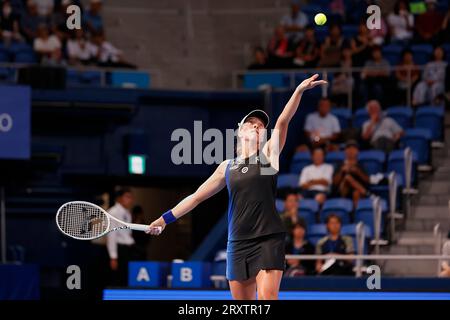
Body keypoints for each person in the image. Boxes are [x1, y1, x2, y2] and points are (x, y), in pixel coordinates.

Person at [147, 74, 327, 300]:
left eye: (261, 126)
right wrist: (164, 219)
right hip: (238, 243)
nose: (257, 127)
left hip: (268, 238)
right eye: (252, 124)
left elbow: (282, 121)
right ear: (240, 131)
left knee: (267, 300)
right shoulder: (226, 167)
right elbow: (195, 198)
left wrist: (298, 91)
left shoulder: (269, 156)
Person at [106, 187, 137, 286]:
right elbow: (111, 236)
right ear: (119, 198)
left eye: (131, 197)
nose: (130, 200)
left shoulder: (127, 212)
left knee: (128, 278)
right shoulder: (113, 212)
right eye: (127, 197)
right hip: (120, 250)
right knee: (119, 279)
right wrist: (113, 257)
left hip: (129, 249)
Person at [333, 140, 370, 207]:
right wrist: (342, 171)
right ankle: (367, 193)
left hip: (358, 191)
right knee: (347, 178)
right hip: (342, 191)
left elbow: (367, 180)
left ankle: (355, 214)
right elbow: (335, 183)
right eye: (348, 148)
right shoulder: (340, 165)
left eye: (353, 148)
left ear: (357, 151)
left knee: (356, 193)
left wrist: (357, 171)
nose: (351, 151)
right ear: (345, 151)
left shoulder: (361, 165)